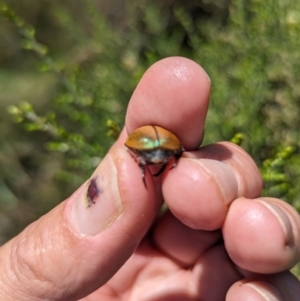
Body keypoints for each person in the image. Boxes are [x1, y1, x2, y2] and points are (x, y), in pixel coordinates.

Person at [0, 57, 299, 301]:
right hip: (148, 149)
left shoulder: (168, 153)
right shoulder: (161, 153)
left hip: (152, 150)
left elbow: (164, 156)